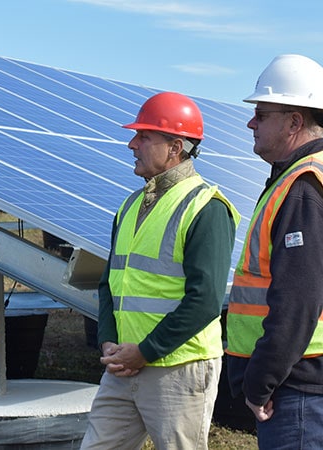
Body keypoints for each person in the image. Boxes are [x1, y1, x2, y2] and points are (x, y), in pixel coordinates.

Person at [80, 92, 240, 449]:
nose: (131, 144)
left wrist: (146, 351)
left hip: (179, 369)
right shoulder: (130, 205)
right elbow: (110, 282)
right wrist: (108, 339)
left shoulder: (207, 208)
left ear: (176, 147)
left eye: (144, 137)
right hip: (122, 367)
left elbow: (205, 300)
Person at [225, 54, 323, 449]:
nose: (251, 122)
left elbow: (297, 300)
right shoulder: (303, 177)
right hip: (305, 380)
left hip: (302, 385)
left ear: (294, 122)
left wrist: (261, 381)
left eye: (261, 113)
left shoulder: (305, 188)